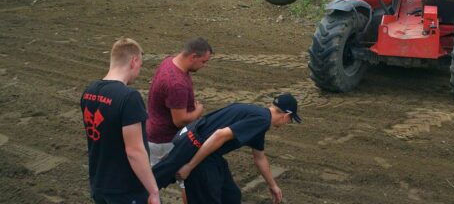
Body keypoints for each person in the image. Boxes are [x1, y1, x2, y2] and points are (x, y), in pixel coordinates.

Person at [153, 93, 301, 204]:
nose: (287, 123)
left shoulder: (256, 114)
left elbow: (260, 157)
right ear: (286, 116)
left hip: (206, 151)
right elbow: (219, 135)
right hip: (201, 154)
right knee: (205, 197)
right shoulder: (261, 120)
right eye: (290, 120)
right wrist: (190, 166)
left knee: (230, 196)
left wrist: (273, 186)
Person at [81, 37, 160, 204]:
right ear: (134, 61)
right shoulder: (129, 97)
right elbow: (134, 151)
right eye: (140, 65)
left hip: (99, 185)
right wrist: (153, 191)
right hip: (125, 190)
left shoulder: (89, 92)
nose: (139, 70)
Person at [146, 37, 213, 203]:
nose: (205, 66)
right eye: (204, 61)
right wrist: (198, 110)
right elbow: (180, 120)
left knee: (150, 182)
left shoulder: (169, 61)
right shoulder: (177, 84)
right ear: (193, 57)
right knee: (188, 181)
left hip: (153, 134)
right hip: (168, 140)